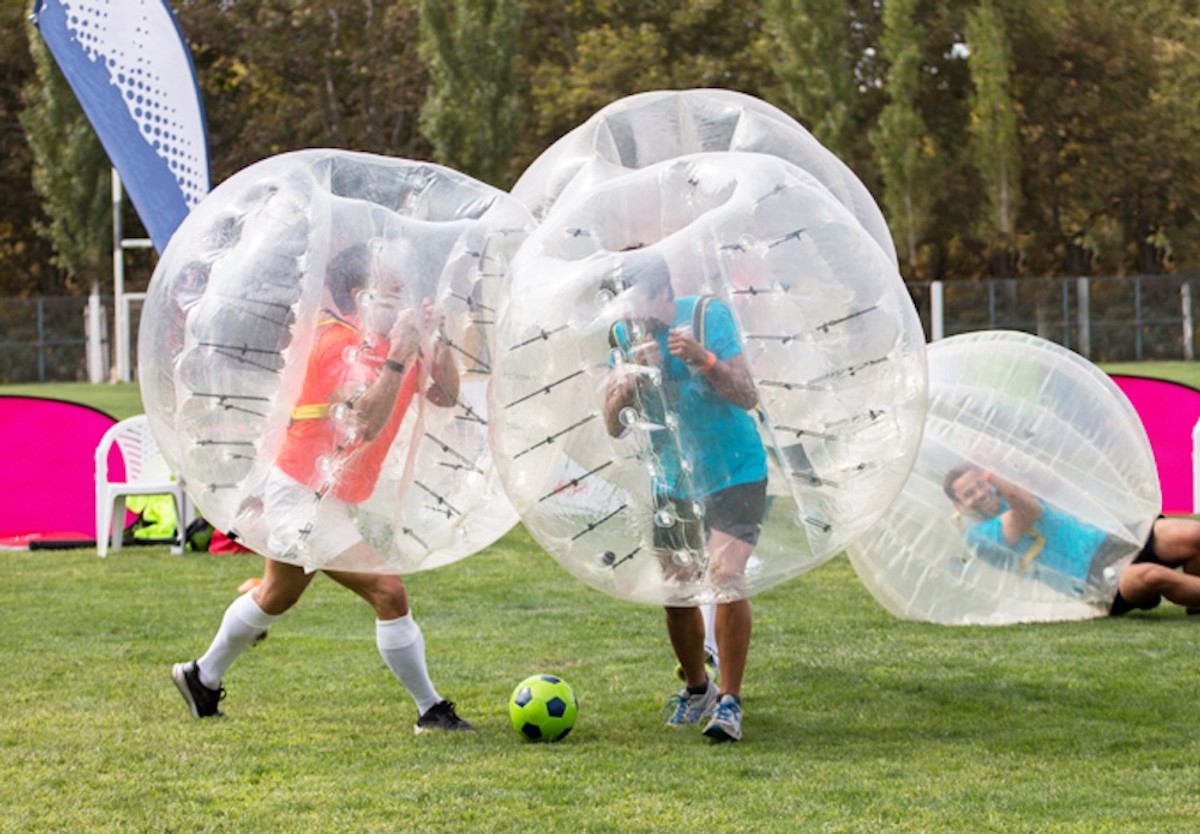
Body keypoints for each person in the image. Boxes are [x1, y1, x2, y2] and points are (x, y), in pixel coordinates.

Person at [172, 244, 474, 732]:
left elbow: (446, 394)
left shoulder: (392, 343)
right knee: (389, 592)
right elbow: (366, 421)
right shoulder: (336, 344)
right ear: (362, 296)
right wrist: (399, 353)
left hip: (326, 495)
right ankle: (430, 710)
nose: (402, 301)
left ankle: (200, 677)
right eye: (393, 291)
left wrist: (437, 344)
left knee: (275, 594)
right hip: (302, 495)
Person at [602, 250, 767, 743]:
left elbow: (747, 394)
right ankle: (698, 689)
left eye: (640, 304)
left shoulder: (705, 314)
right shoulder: (622, 336)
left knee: (725, 575)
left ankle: (731, 702)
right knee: (677, 591)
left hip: (735, 469)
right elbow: (612, 425)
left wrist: (704, 359)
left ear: (663, 294)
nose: (634, 317)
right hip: (673, 480)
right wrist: (629, 380)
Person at [944, 463, 1200, 616]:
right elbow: (1030, 511)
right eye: (969, 493)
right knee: (1152, 576)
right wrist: (991, 470)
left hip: (1109, 540)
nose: (980, 494)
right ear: (959, 505)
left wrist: (1003, 461)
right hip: (1094, 580)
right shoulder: (979, 537)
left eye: (980, 485)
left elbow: (1050, 479)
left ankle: (1195, 604)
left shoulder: (1006, 494)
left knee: (1192, 534)